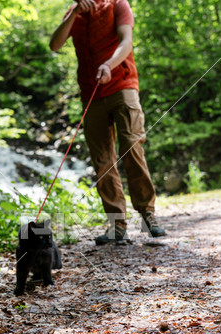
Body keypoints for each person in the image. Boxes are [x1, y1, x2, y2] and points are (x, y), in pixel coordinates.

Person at [50, 0, 166, 244]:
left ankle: (148, 215)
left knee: (132, 147)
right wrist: (74, 14)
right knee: (102, 160)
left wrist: (109, 64)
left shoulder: (118, 4)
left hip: (122, 85)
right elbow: (55, 44)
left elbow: (126, 42)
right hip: (91, 93)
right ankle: (117, 226)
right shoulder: (74, 13)